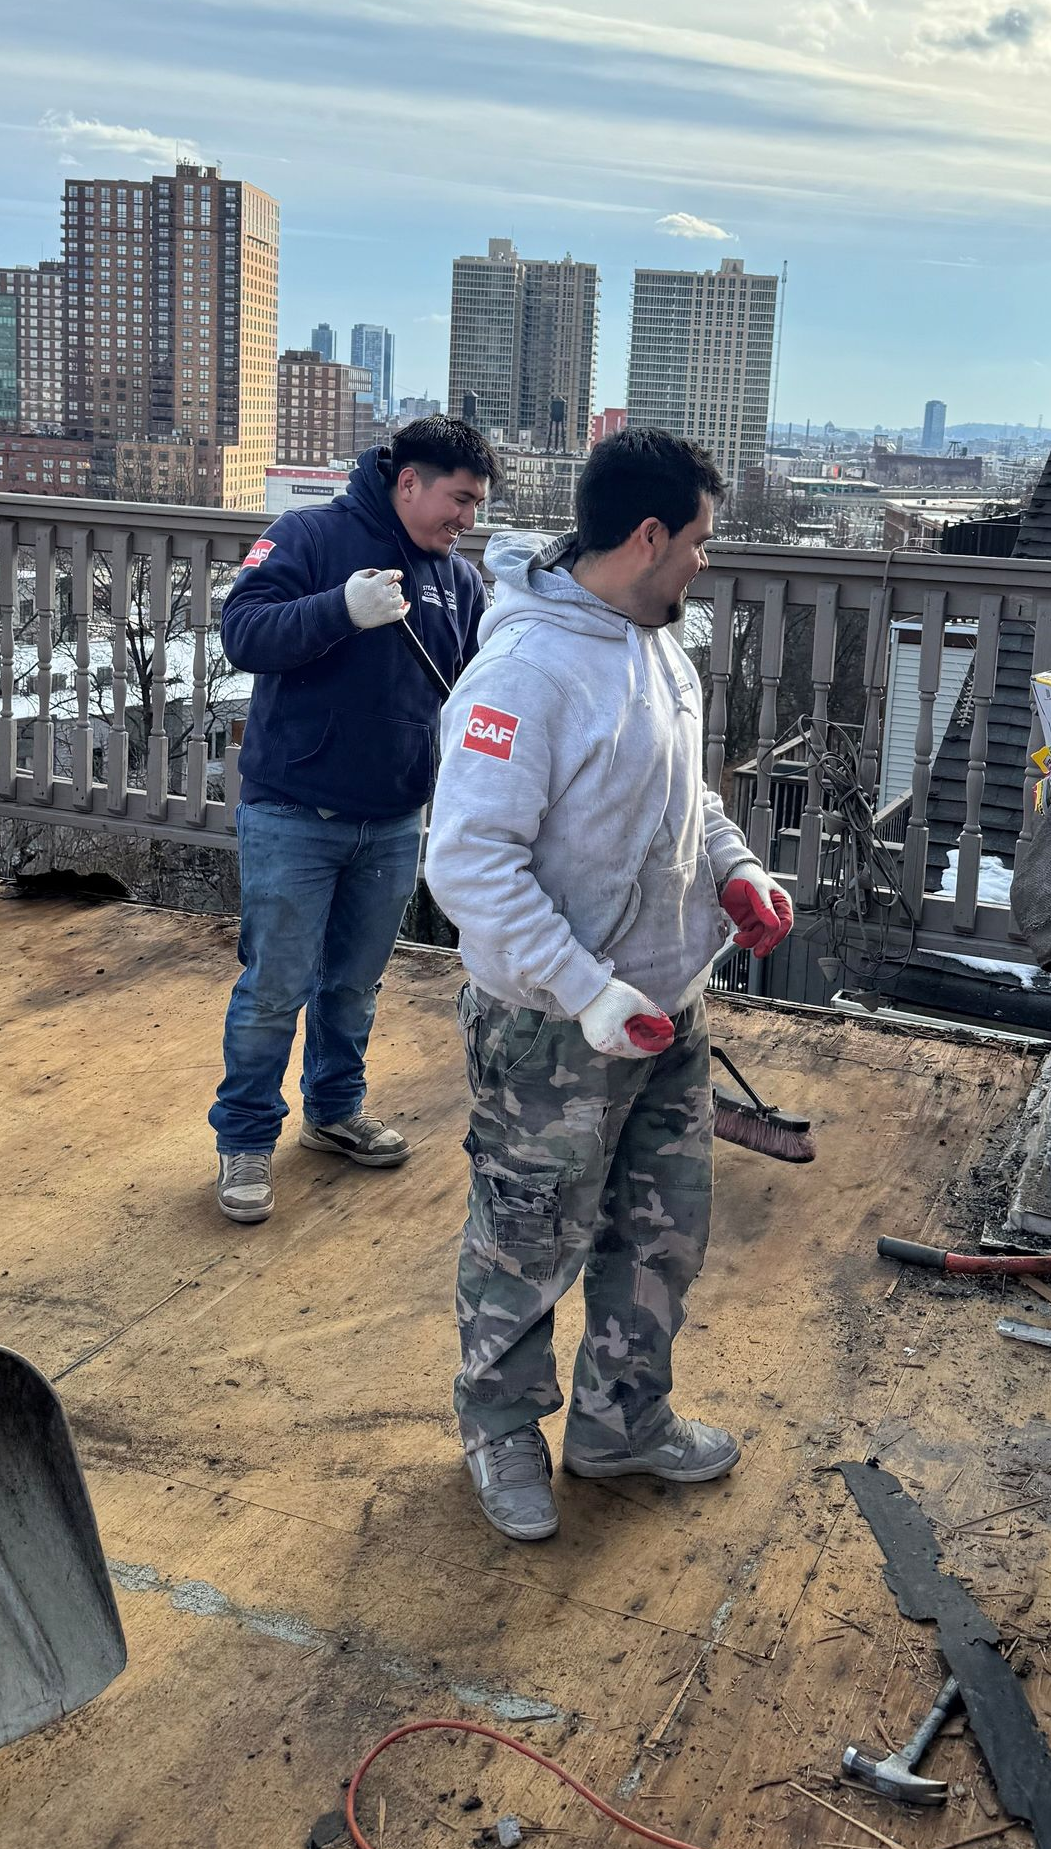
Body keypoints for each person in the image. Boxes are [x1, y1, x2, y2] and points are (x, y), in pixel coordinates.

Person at [425, 428, 795, 1541]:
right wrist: (585, 990)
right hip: (553, 1030)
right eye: (698, 542)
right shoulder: (527, 672)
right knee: (525, 1239)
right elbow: (467, 863)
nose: (704, 563)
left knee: (660, 1230)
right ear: (646, 536)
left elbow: (690, 800)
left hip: (664, 1011)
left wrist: (735, 870)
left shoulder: (661, 648)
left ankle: (620, 1422)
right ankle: (500, 1433)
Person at [210, 417, 501, 1224]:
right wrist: (339, 608)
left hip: (394, 817)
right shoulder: (309, 535)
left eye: (477, 505)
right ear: (409, 481)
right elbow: (243, 633)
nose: (466, 519)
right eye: (460, 499)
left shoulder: (460, 579)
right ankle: (243, 1140)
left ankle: (334, 1111)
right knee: (274, 989)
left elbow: (475, 687)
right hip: (294, 811)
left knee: (354, 986)